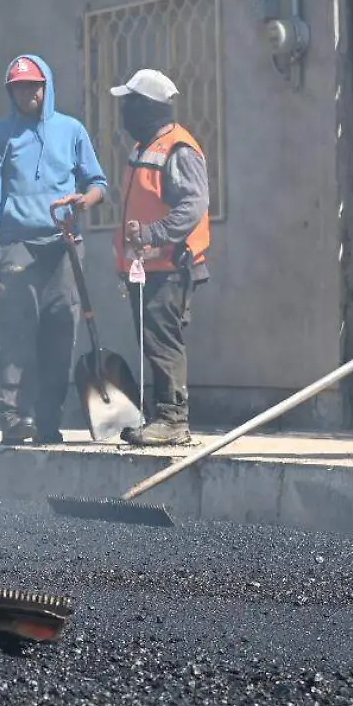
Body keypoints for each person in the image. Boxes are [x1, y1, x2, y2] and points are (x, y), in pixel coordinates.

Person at [0, 54, 108, 444]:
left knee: (60, 333)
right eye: (17, 87)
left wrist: (86, 200)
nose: (25, 93)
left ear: (46, 87)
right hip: (17, 246)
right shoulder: (2, 135)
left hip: (63, 247)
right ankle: (14, 417)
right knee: (16, 333)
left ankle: (49, 420)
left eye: (32, 86)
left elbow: (98, 182)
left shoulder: (71, 130)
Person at [109, 69, 210, 447]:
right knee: (151, 341)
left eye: (130, 103)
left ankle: (172, 420)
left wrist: (152, 235)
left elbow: (193, 206)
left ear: (148, 107)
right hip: (147, 266)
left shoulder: (178, 148)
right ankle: (161, 416)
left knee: (162, 341)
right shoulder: (143, 147)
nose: (124, 111)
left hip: (170, 265)